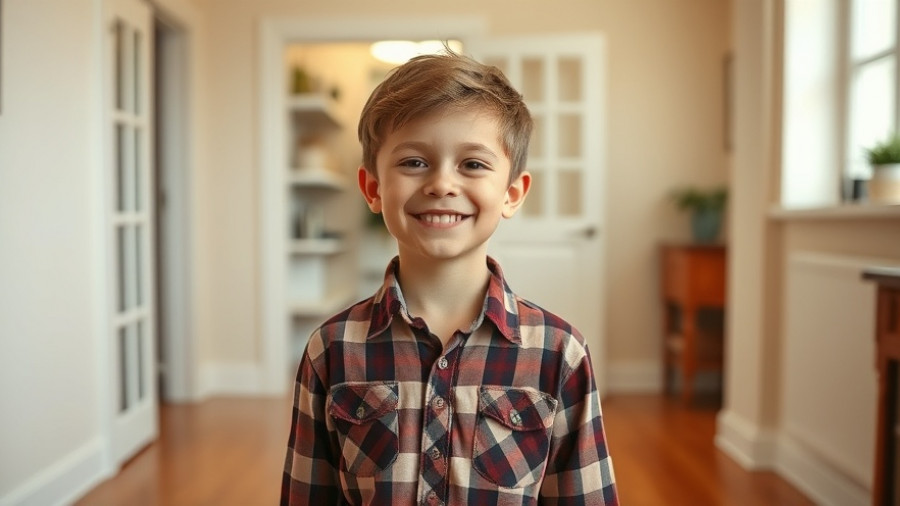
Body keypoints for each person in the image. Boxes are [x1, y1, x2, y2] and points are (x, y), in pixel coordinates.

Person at [281, 49, 618, 505]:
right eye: (414, 162)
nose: (442, 183)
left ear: (512, 193)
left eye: (473, 164)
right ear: (373, 189)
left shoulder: (560, 354)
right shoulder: (332, 348)